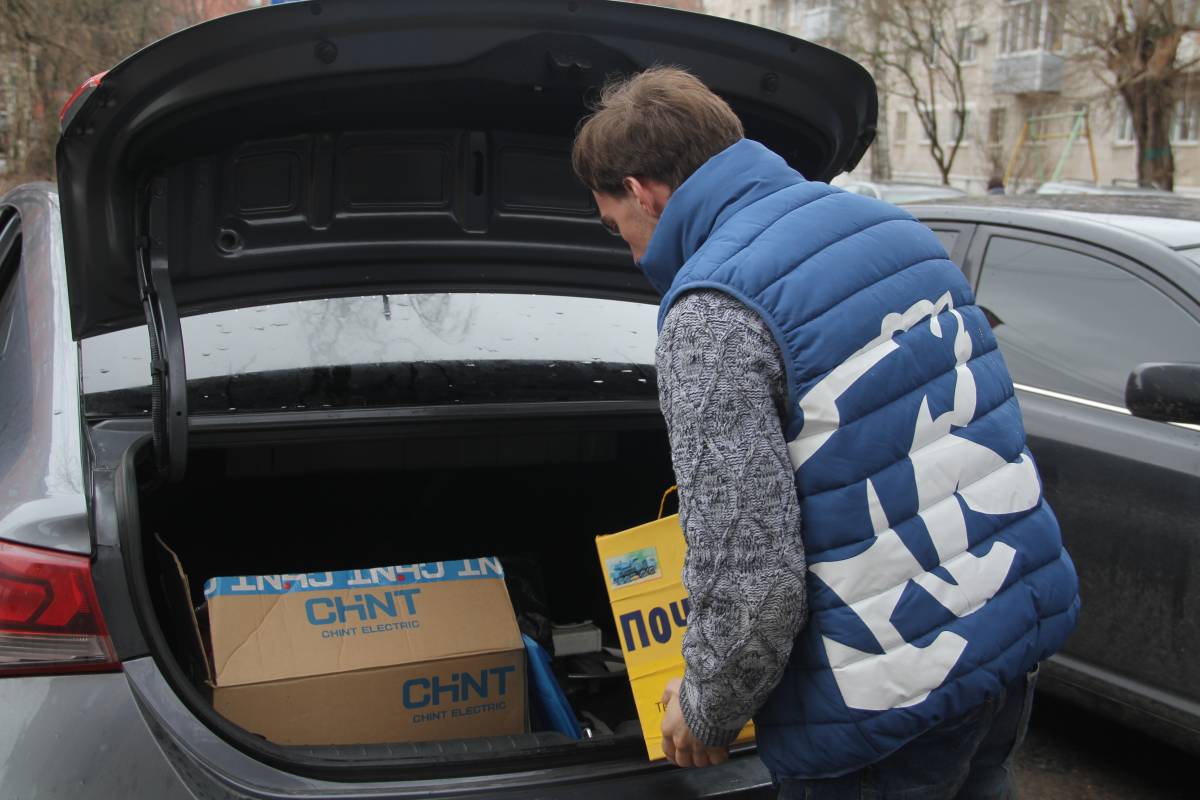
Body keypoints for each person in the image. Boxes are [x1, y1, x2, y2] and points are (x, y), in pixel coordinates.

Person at [571, 67, 1079, 799]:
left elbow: (753, 570)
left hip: (883, 697)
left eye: (613, 223)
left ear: (640, 191)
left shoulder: (712, 312)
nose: (627, 248)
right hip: (1002, 634)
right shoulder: (898, 232)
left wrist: (709, 707)